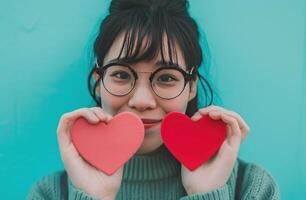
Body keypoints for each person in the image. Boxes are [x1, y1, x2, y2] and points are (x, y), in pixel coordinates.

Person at [27, 0, 280, 199]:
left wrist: (206, 196)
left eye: (166, 78)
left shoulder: (252, 189)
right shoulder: (50, 194)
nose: (142, 100)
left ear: (191, 87)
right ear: (98, 82)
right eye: (122, 75)